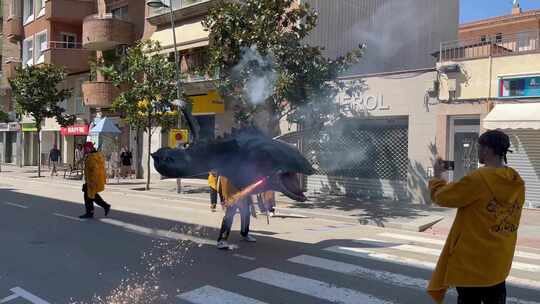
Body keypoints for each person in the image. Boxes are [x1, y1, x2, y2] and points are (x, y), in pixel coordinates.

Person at [427, 130, 525, 304]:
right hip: (499, 264)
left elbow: (442, 197)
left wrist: (437, 177)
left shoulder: (478, 179)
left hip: (472, 267)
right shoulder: (516, 182)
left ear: (487, 150)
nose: (477, 152)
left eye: (479, 148)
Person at [216, 176, 256, 249]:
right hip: (232, 197)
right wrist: (223, 199)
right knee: (229, 217)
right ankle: (222, 240)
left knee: (246, 214)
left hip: (243, 196)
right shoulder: (226, 172)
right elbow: (221, 185)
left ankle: (244, 233)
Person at [79, 142, 111, 219]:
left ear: (88, 148)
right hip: (94, 180)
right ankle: (104, 206)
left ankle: (90, 212)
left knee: (89, 196)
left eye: (85, 148)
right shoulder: (97, 155)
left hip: (92, 180)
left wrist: (92, 182)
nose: (84, 150)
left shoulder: (92, 157)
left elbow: (95, 170)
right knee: (91, 195)